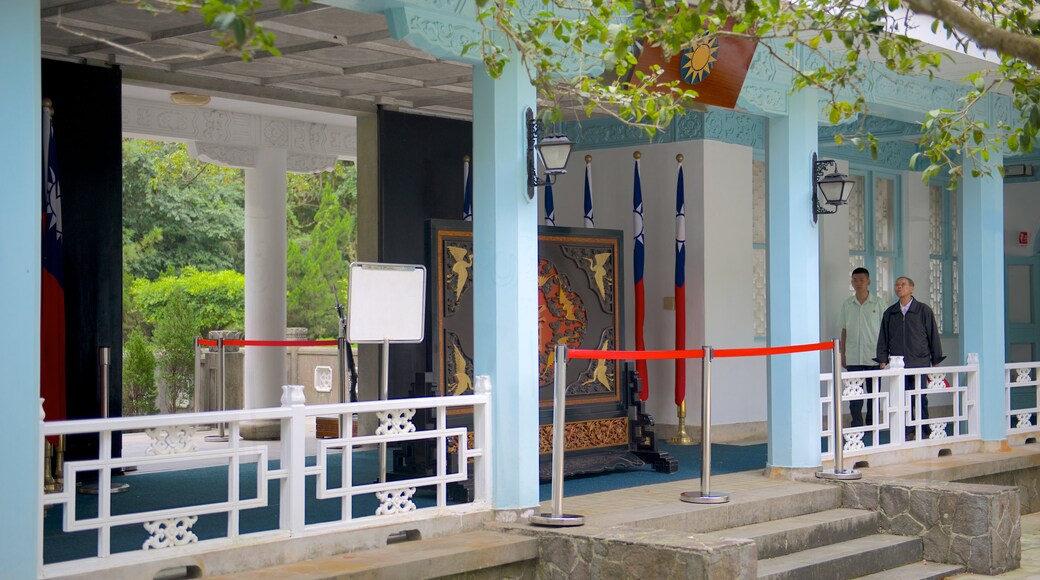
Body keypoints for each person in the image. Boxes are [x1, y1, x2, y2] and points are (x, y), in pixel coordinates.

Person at [875, 276, 945, 441]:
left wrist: (936, 361)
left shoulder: (923, 310)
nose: (899, 287)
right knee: (901, 397)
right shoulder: (890, 313)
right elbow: (883, 338)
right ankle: (906, 430)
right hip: (898, 364)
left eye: (903, 284)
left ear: (912, 288)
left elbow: (933, 336)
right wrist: (882, 359)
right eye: (897, 284)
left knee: (920, 397)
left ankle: (924, 428)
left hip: (919, 361)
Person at [837, 267, 883, 427]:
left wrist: (885, 355)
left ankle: (873, 424)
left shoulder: (878, 303)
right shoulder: (847, 304)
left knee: (873, 393)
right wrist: (843, 355)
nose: (858, 283)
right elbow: (844, 330)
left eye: (861, 280)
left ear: (868, 282)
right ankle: (856, 423)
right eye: (855, 280)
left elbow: (886, 330)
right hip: (853, 356)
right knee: (854, 393)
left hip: (874, 355)